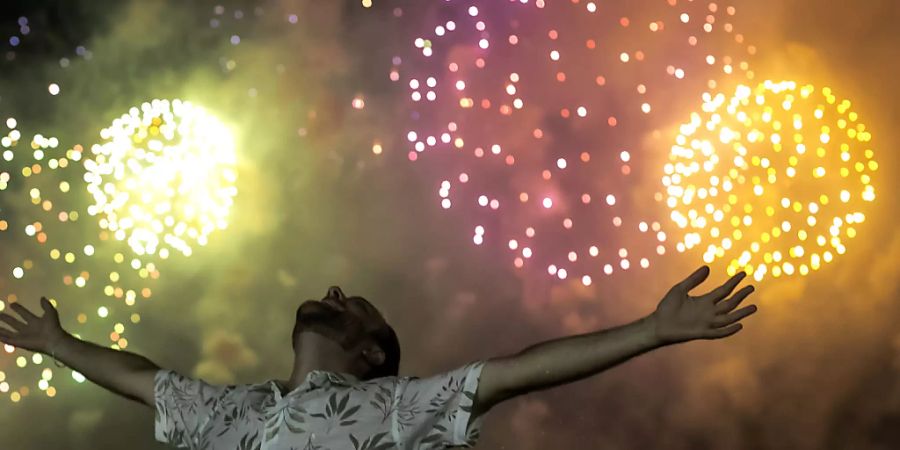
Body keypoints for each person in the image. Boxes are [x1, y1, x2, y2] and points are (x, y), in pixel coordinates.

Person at [0, 265, 757, 449]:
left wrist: (648, 333)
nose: (335, 289)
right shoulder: (233, 411)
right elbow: (139, 379)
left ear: (368, 353)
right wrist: (59, 346)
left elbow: (524, 365)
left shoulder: (400, 408)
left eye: (357, 307)